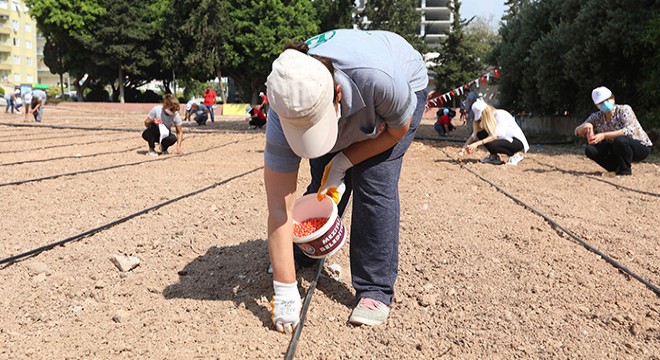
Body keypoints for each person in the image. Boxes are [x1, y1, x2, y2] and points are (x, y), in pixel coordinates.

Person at [264, 29, 428, 333]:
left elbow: (395, 131)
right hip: (345, 93)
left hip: (400, 86)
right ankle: (304, 252)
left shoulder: (381, 79)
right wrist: (285, 290)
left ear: (337, 95)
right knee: (323, 177)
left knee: (373, 179)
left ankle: (374, 289)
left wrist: (345, 161)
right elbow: (278, 206)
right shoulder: (284, 102)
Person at [574, 86, 652, 176]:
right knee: (590, 150)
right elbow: (576, 132)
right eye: (601, 102)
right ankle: (616, 168)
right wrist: (586, 126)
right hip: (617, 148)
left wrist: (604, 135)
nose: (605, 103)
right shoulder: (597, 117)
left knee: (620, 140)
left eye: (607, 100)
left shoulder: (624, 110)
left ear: (613, 99)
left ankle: (625, 171)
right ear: (597, 105)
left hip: (639, 146)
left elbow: (629, 130)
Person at [458, 99, 529, 165]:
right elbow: (473, 136)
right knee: (481, 134)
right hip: (505, 140)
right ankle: (494, 156)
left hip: (516, 141)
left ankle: (515, 155)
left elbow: (496, 136)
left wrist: (476, 144)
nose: (480, 118)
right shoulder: (489, 120)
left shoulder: (500, 115)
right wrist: (462, 150)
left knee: (492, 144)